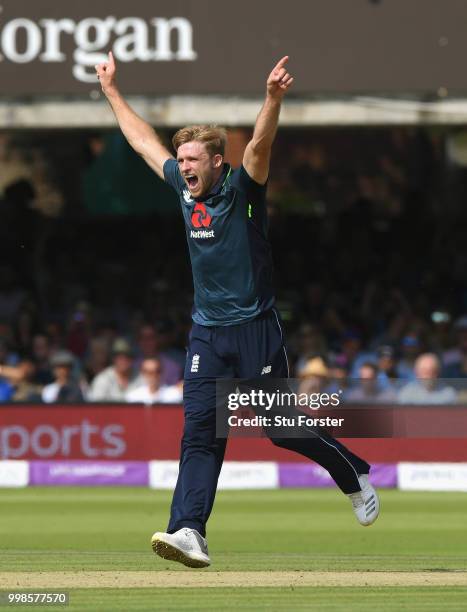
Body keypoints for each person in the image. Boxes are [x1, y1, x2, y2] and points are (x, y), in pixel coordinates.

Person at [96, 52, 379, 569]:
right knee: (200, 433)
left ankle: (351, 473)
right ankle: (189, 530)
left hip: (255, 329)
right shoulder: (186, 195)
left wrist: (272, 99)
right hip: (207, 333)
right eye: (179, 161)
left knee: (281, 428)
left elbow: (260, 145)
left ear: (216, 162)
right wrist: (113, 92)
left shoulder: (244, 191)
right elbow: (142, 141)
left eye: (191, 160)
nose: (182, 168)